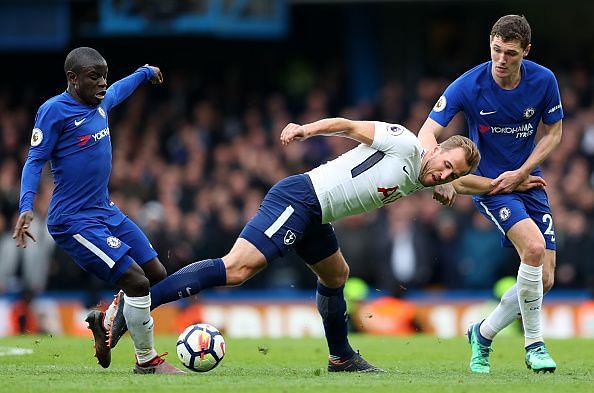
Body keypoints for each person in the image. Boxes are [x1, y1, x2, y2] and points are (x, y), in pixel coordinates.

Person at [109, 117, 544, 372]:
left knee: (336, 274)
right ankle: (129, 305)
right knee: (238, 268)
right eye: (444, 167)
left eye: (448, 176)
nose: (443, 177)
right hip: (299, 198)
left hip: (318, 215)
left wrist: (513, 181)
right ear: (436, 150)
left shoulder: (425, 174)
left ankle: (341, 357)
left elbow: (471, 183)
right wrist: (304, 130)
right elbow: (350, 126)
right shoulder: (406, 144)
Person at [12, 47, 183, 374]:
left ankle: (106, 319)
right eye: (94, 77)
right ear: (73, 79)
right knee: (137, 281)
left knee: (157, 274)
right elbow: (35, 161)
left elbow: (121, 87)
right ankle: (147, 361)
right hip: (73, 220)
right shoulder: (53, 111)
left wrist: (146, 71)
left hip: (105, 211)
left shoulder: (101, 101)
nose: (102, 83)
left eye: (104, 75)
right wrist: (26, 206)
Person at [418, 15, 563, 373]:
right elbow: (425, 133)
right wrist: (444, 177)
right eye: (496, 50)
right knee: (533, 248)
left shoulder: (544, 81)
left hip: (527, 180)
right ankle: (534, 345)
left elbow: (554, 133)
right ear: (490, 44)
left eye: (510, 54)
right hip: (492, 185)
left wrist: (524, 171)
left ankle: (481, 333)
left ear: (525, 52)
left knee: (544, 278)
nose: (501, 60)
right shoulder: (468, 85)